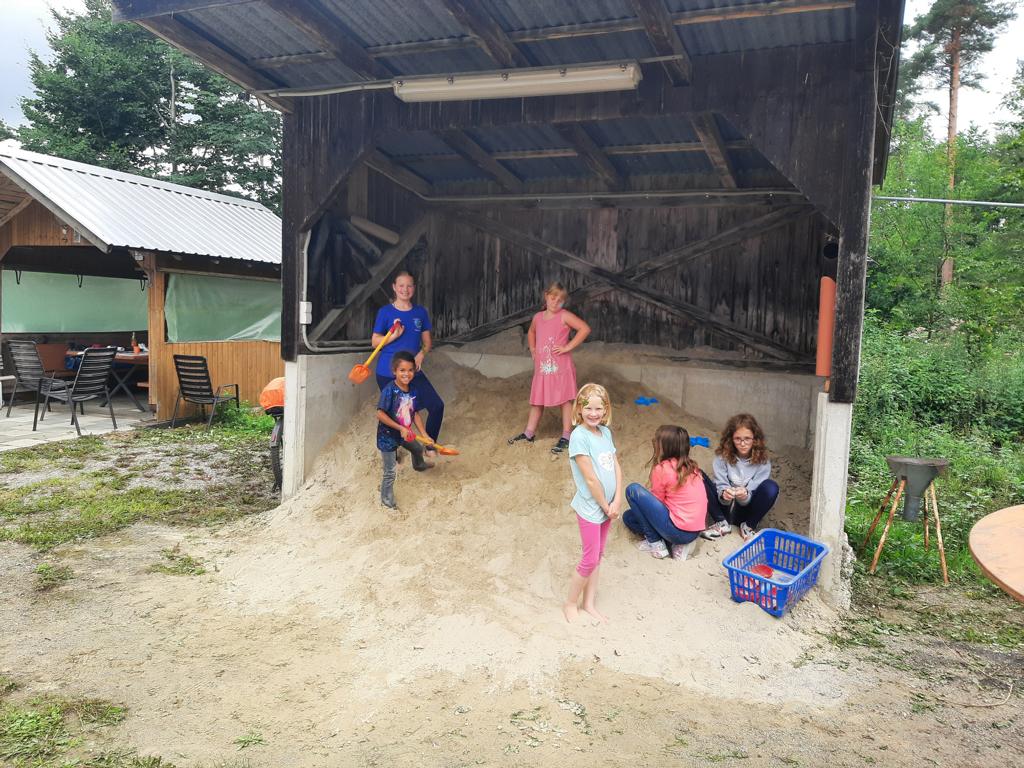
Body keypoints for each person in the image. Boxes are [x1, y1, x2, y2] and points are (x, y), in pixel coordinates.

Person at [563, 383, 623, 624]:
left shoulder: (605, 433)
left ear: (606, 409)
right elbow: (589, 477)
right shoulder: (579, 437)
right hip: (591, 507)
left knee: (598, 555)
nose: (594, 413)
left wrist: (617, 498)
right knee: (589, 558)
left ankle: (589, 603)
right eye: (588, 408)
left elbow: (615, 464)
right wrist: (605, 506)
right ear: (579, 409)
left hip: (609, 506)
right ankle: (570, 603)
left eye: (599, 408)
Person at [508, 282, 591, 454]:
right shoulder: (538, 317)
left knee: (564, 401)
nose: (556, 302)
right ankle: (529, 433)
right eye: (553, 298)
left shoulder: (564, 316)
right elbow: (531, 332)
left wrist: (568, 347)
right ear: (546, 296)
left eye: (560, 300)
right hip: (543, 369)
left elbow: (584, 329)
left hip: (561, 368)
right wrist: (532, 349)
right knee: (537, 400)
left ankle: (566, 436)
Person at [623, 425, 722, 560]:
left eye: (657, 441)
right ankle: (678, 544)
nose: (654, 442)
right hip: (694, 530)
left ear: (665, 447)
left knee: (633, 490)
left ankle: (656, 543)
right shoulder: (692, 467)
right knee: (629, 517)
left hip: (677, 531)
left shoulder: (662, 468)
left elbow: (658, 501)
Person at [372, 271, 444, 451]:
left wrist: (421, 354)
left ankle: (429, 446)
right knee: (398, 414)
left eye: (409, 285)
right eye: (401, 285)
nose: (405, 289)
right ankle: (392, 452)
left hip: (412, 371)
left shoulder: (420, 312)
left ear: (414, 288)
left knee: (436, 406)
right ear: (394, 288)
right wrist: (393, 336)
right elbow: (375, 343)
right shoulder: (385, 312)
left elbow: (427, 343)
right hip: (388, 372)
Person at [376, 351, 434, 509]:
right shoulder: (390, 390)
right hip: (387, 437)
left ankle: (419, 465)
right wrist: (400, 427)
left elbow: (415, 413)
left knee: (417, 447)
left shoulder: (413, 390)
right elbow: (380, 414)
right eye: (402, 370)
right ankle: (387, 501)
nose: (406, 374)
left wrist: (424, 434)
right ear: (394, 371)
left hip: (404, 434)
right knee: (390, 472)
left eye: (410, 370)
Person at [712, 413, 779, 540]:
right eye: (738, 439)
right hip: (725, 505)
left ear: (755, 439)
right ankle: (721, 522)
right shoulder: (721, 458)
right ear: (730, 439)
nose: (742, 444)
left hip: (746, 505)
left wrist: (745, 495)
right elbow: (720, 484)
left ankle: (749, 526)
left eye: (747, 439)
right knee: (700, 477)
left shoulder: (763, 462)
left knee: (771, 487)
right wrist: (725, 494)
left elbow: (757, 490)